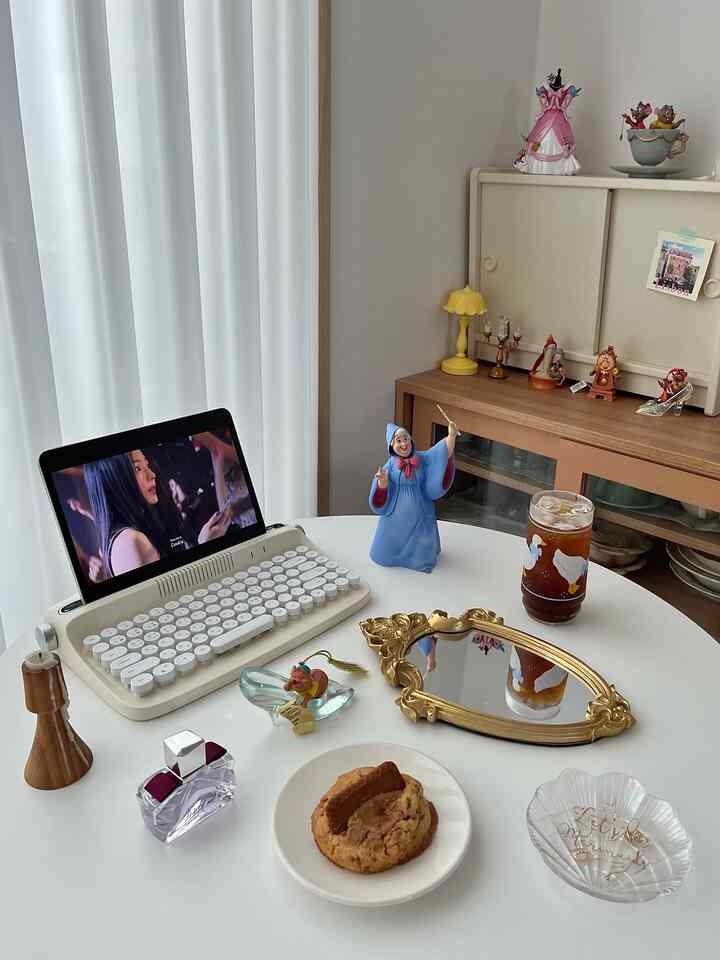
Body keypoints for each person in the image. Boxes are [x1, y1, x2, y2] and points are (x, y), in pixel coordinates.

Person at [84, 449, 231, 578]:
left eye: (146, 465)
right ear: (114, 479)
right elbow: (169, 600)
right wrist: (205, 547)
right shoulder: (131, 541)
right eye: (137, 468)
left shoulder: (127, 535)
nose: (152, 474)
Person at [368, 422, 457, 573]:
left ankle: (420, 559)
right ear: (391, 445)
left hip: (421, 514)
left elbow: (439, 454)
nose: (403, 444)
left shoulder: (422, 459)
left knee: (421, 544)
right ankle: (391, 556)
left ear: (411, 440)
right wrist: (382, 483)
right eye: (398, 440)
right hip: (395, 519)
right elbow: (380, 493)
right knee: (388, 546)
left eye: (405, 439)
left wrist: (451, 437)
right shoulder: (390, 466)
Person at [513, 68, 581, 176]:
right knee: (539, 138)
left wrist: (567, 97)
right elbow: (542, 98)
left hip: (558, 119)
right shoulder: (546, 88)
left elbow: (568, 99)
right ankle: (536, 164)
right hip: (547, 118)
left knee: (560, 140)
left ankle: (560, 166)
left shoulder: (566, 90)